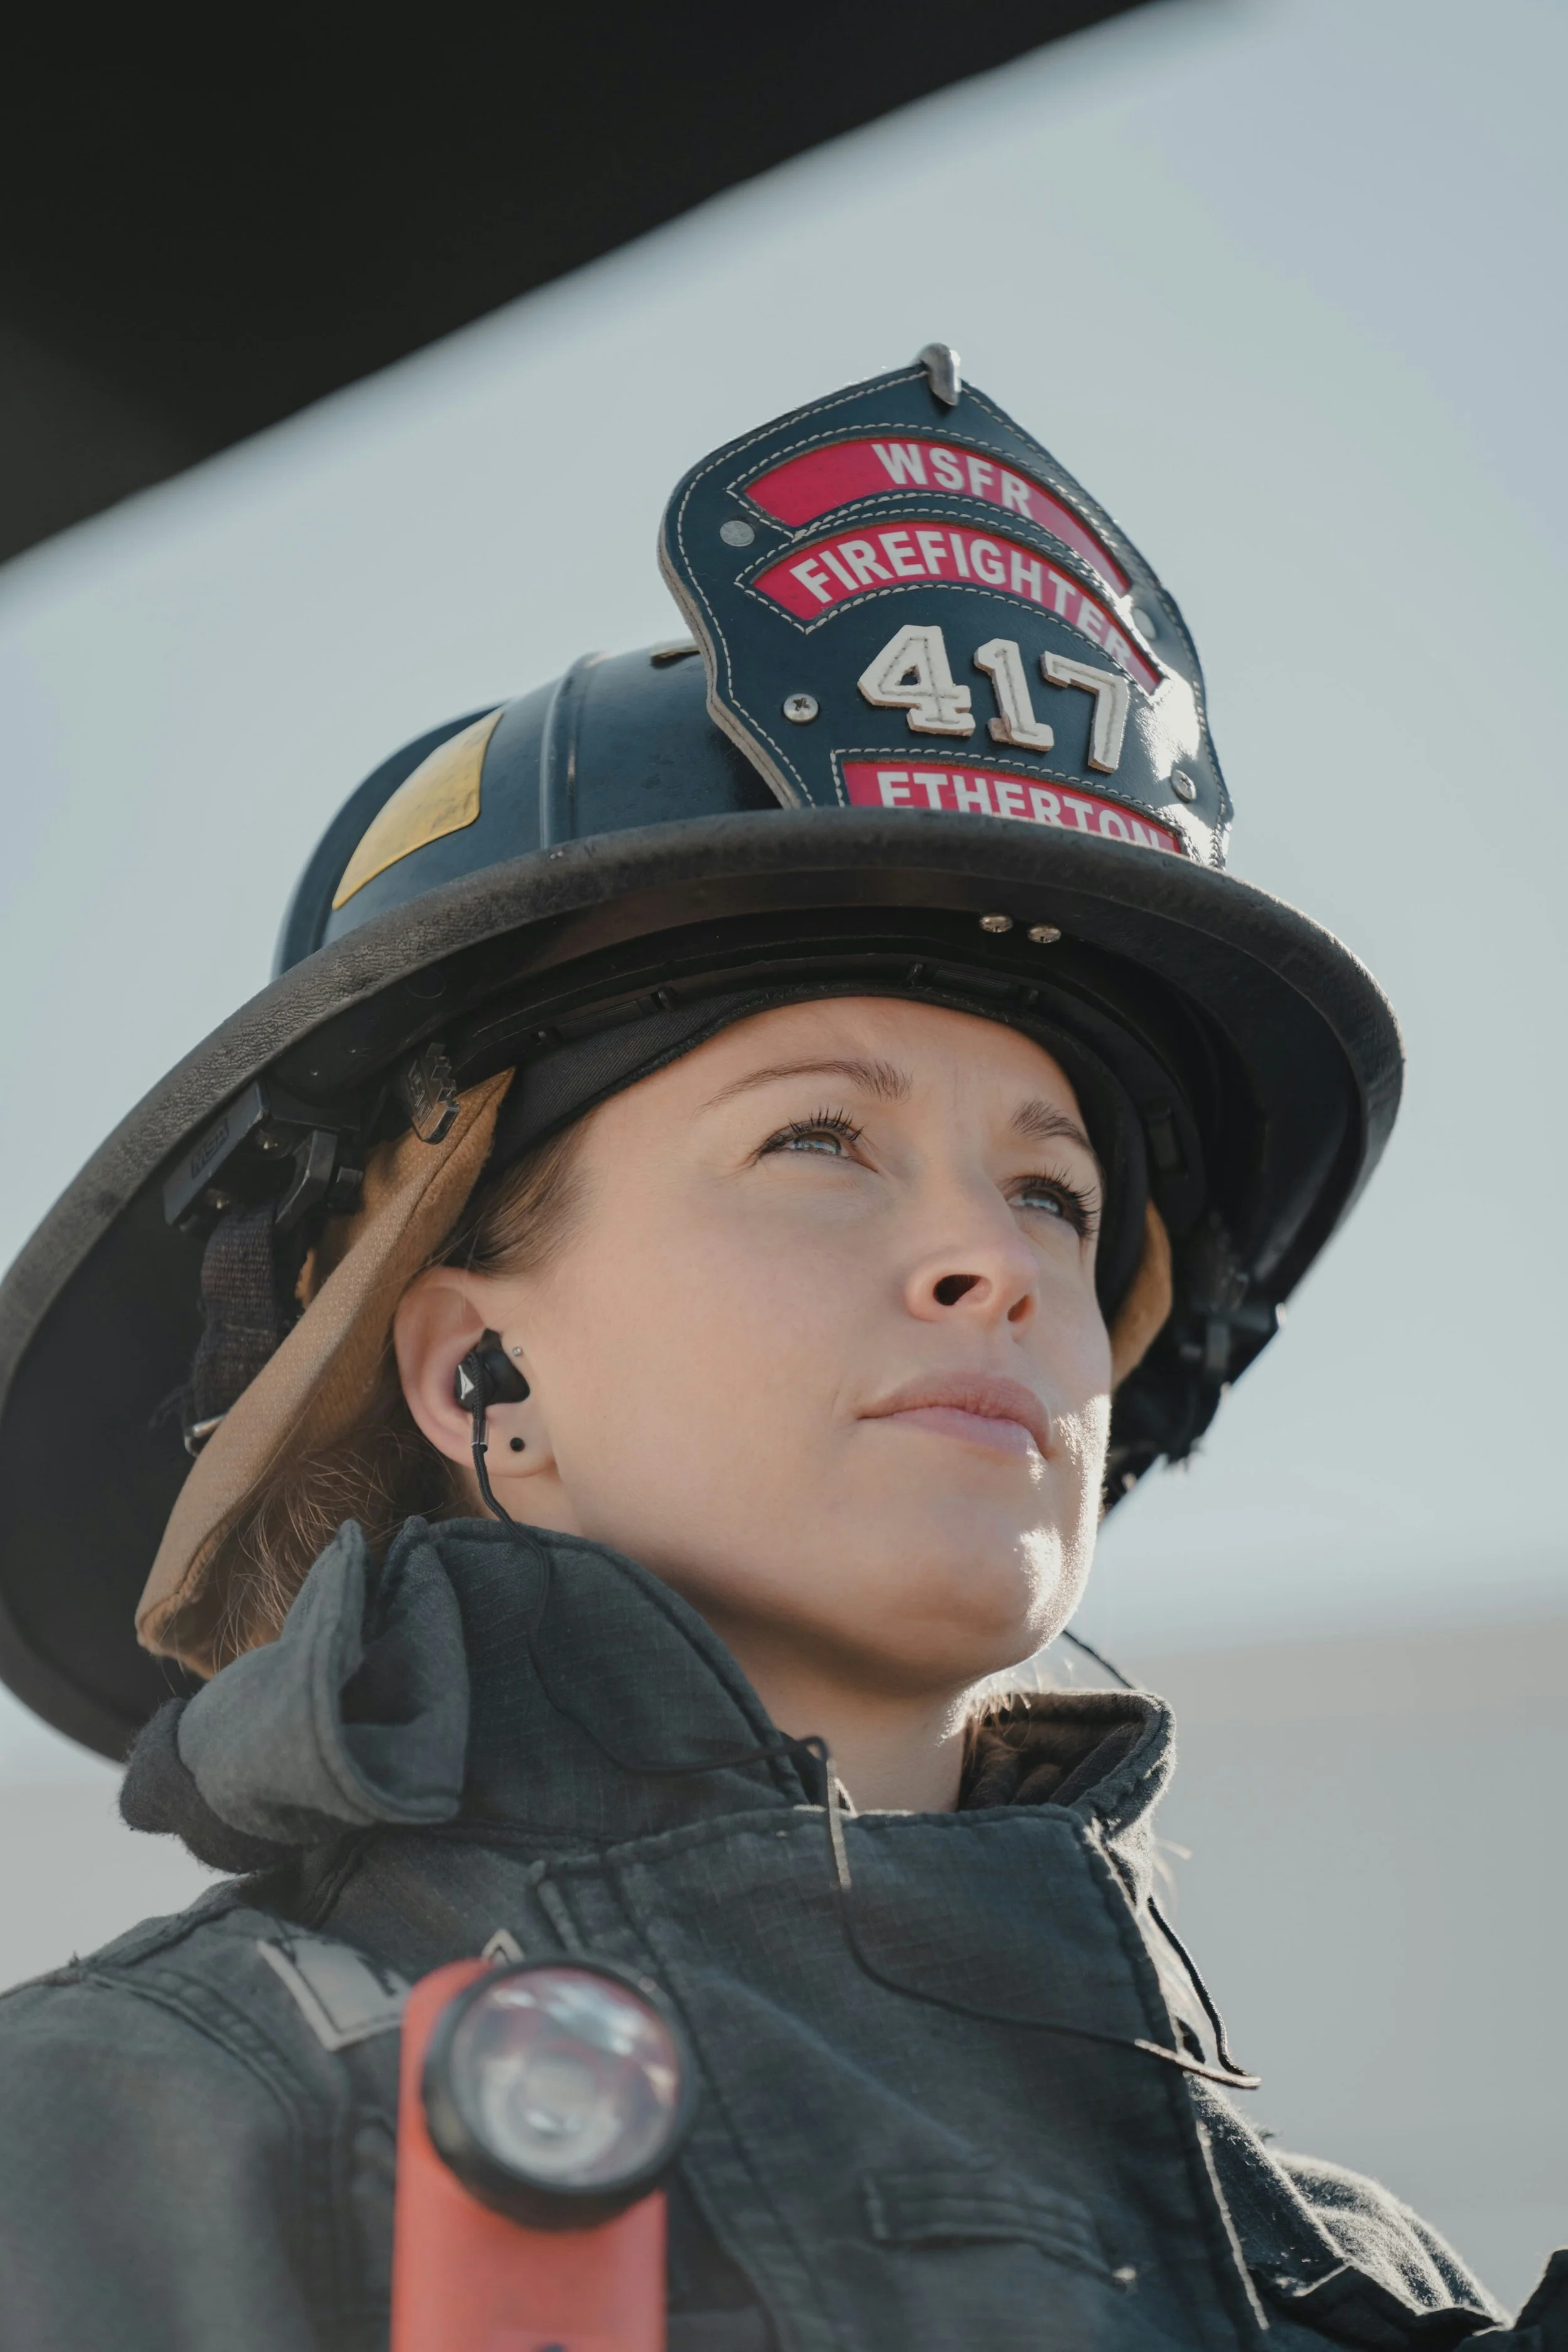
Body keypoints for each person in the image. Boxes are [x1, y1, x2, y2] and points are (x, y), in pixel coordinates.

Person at [0, 352, 1556, 2350]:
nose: (992, 1262)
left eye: (1054, 1193)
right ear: (475, 1370)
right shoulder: (129, 2141)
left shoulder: (1355, 2292)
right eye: (819, 1141)